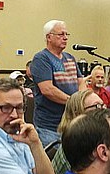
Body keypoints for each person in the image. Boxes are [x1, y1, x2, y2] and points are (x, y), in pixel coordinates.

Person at [30, 19, 85, 147]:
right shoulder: (41, 58)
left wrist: (81, 99)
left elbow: (81, 81)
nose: (65, 38)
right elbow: (48, 90)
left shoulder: (70, 58)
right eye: (61, 35)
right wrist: (74, 102)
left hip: (71, 124)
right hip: (50, 127)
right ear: (49, 37)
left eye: (67, 34)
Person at [51, 89, 105, 174]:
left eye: (103, 105)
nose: (104, 110)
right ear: (77, 114)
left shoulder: (96, 142)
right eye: (97, 106)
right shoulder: (71, 152)